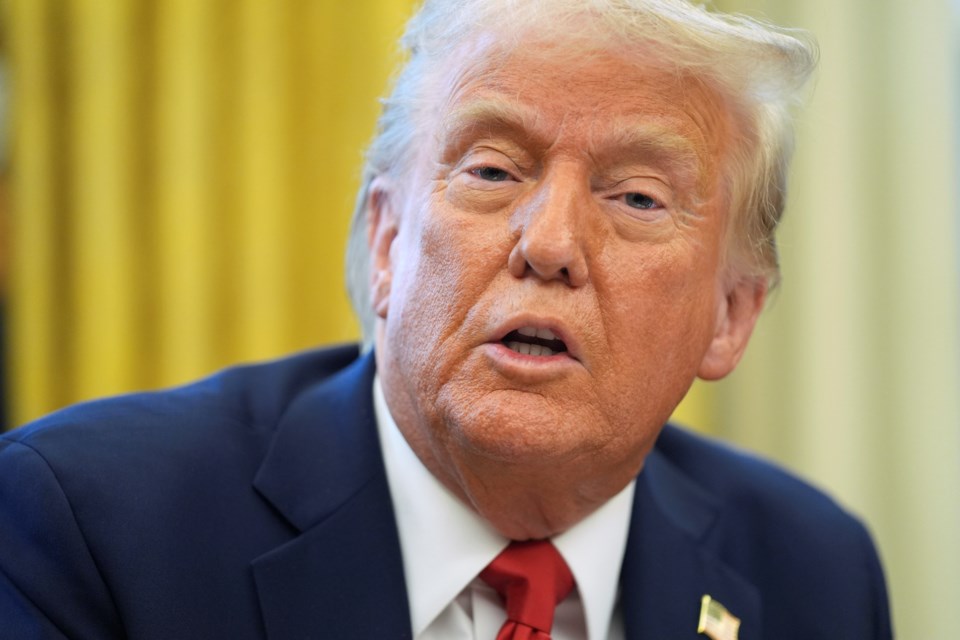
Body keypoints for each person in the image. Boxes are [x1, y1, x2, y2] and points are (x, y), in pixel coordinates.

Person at [0, 0, 893, 638]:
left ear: (729, 317)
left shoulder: (812, 573)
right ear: (387, 243)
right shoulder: (91, 526)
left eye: (637, 197)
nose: (550, 244)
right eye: (493, 170)